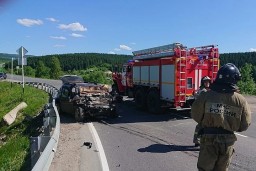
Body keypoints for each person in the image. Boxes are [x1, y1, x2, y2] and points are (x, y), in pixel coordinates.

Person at [191, 63, 251, 171]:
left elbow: (195, 115)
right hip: (227, 142)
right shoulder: (240, 100)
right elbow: (245, 124)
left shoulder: (206, 95)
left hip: (208, 140)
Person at [193, 76, 211, 147]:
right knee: (202, 126)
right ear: (203, 83)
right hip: (203, 111)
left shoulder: (203, 90)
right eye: (205, 82)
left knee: (200, 126)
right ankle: (198, 141)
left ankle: (197, 141)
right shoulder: (204, 91)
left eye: (208, 82)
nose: (207, 83)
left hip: (203, 110)